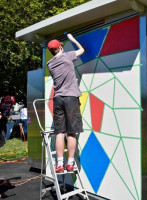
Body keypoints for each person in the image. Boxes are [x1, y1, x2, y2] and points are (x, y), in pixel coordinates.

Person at [47, 33, 85, 172]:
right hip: (70, 98)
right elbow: (82, 50)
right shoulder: (67, 56)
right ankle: (70, 163)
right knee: (71, 132)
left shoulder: (49, 64)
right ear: (61, 48)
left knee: (59, 132)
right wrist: (72, 39)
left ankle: (59, 164)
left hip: (57, 99)